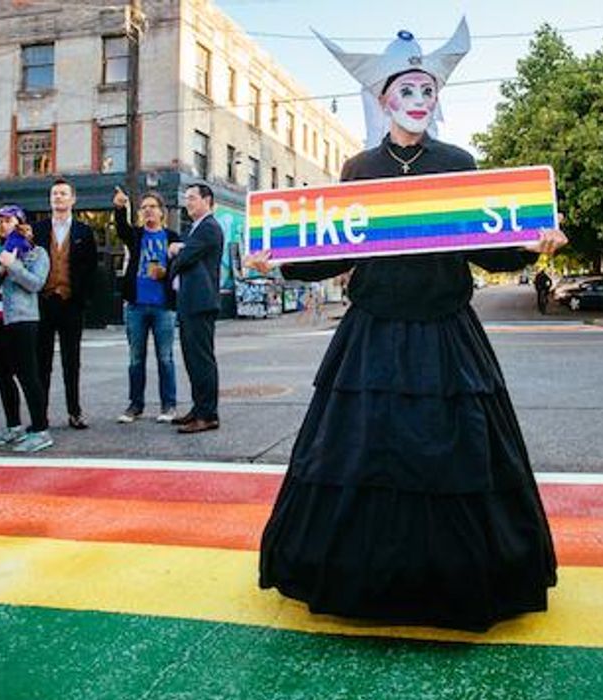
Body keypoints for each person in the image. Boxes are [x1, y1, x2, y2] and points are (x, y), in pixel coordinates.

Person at [248, 22, 564, 631]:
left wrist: (535, 245)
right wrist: (278, 260)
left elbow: (490, 248)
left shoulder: (456, 163)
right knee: (364, 455)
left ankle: (456, 579)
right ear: (384, 100)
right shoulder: (360, 167)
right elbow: (335, 252)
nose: (418, 102)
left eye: (428, 91)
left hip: (447, 332)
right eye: (407, 92)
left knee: (458, 457)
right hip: (372, 337)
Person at [0, 206, 53, 453]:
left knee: (28, 376)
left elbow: (36, 283)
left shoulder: (35, 253)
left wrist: (13, 265)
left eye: (7, 220)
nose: (2, 224)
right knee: (3, 377)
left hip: (19, 320)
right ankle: (13, 426)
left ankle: (40, 429)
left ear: (19, 223)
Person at [32, 179, 98, 430]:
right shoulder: (37, 229)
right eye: (54, 194)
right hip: (44, 302)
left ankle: (74, 412)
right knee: (42, 362)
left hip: (71, 303)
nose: (58, 197)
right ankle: (41, 415)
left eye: (63, 194)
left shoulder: (84, 231)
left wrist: (84, 300)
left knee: (72, 361)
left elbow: (92, 269)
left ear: (73, 199)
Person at [113, 188, 180, 424]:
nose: (148, 211)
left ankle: (169, 405)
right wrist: (120, 208)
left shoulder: (173, 237)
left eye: (153, 207)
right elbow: (121, 229)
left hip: (164, 306)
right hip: (136, 306)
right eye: (144, 208)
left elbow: (182, 267)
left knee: (165, 357)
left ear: (162, 212)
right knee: (135, 359)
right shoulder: (137, 235)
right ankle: (135, 405)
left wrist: (167, 272)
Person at [168, 183, 224, 434]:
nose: (187, 202)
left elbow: (185, 258)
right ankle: (198, 408)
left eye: (192, 198)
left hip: (200, 304)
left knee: (201, 360)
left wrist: (178, 249)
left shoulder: (209, 228)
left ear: (207, 200)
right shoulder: (197, 229)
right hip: (191, 302)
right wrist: (182, 248)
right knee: (193, 359)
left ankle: (208, 414)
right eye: (186, 198)